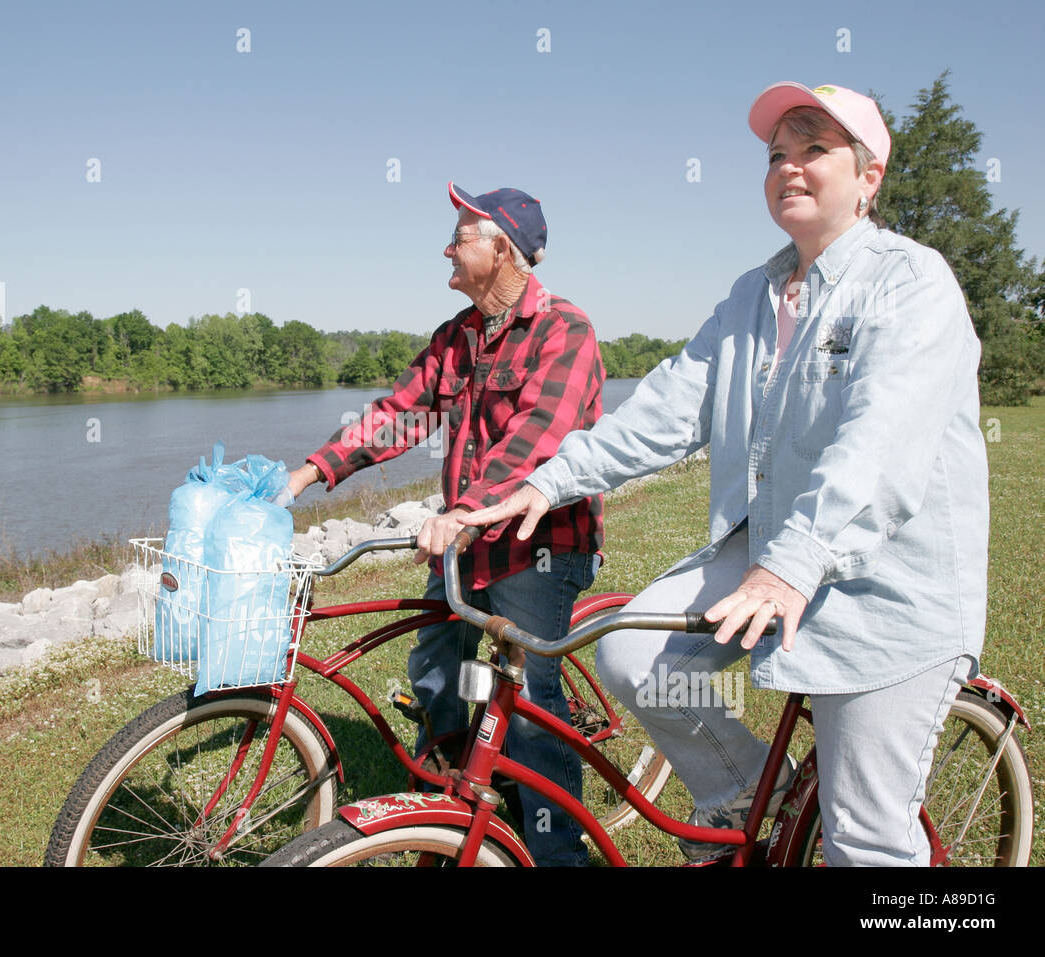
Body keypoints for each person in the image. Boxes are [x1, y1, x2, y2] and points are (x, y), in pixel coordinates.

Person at [455, 83, 989, 866]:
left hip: (888, 583)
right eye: (778, 154)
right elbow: (667, 407)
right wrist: (551, 478)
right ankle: (752, 800)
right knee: (631, 654)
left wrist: (791, 569)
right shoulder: (755, 295)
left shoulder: (911, 284)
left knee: (865, 835)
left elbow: (878, 451)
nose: (790, 168)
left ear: (869, 176)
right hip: (769, 547)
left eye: (815, 149)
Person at [287, 183, 606, 865]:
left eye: (461, 235)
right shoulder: (457, 337)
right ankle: (463, 800)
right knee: (437, 670)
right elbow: (398, 412)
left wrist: (463, 511)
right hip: (467, 546)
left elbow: (535, 441)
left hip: (536, 546)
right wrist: (310, 472)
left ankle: (557, 852)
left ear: (503, 250)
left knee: (531, 705)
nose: (446, 247)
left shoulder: (564, 331)